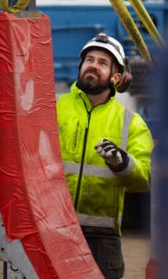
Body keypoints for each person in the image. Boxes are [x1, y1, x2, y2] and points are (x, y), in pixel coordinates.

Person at [58, 33, 152, 279]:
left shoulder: (131, 123)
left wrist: (121, 163)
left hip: (101, 237)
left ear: (116, 77)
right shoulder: (53, 108)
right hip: (55, 229)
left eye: (102, 62)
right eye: (89, 59)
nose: (93, 65)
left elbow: (144, 178)